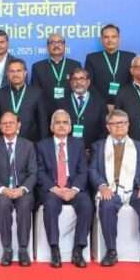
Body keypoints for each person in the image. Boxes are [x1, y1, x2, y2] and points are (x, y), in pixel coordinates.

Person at [89, 109, 140, 267]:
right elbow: (92, 170)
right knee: (107, 205)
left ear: (128, 125)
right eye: (115, 124)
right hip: (110, 189)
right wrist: (102, 186)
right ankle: (111, 251)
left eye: (123, 123)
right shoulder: (98, 146)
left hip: (134, 189)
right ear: (108, 127)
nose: (119, 126)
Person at [35, 110, 93, 268]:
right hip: (53, 189)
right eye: (58, 122)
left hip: (73, 187)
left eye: (65, 122)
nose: (61, 126)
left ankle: (78, 249)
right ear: (51, 126)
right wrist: (55, 189)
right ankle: (54, 249)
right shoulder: (42, 145)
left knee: (86, 204)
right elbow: (39, 171)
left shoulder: (78, 144)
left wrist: (73, 190)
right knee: (50, 205)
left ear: (70, 127)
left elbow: (83, 171)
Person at [0, 112, 37, 266]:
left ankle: (23, 249)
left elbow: (33, 173)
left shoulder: (28, 145)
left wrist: (23, 189)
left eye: (11, 123)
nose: (7, 125)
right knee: (3, 203)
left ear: (18, 125)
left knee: (25, 204)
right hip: (2, 192)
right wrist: (2, 189)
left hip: (22, 190)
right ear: (0, 127)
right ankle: (7, 249)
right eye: (4, 123)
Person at [0, 58, 47, 142]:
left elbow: (43, 123)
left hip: (31, 143)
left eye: (19, 71)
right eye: (12, 71)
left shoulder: (37, 93)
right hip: (5, 144)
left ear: (25, 73)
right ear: (7, 74)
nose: (15, 74)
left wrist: (42, 145)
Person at [84, 24, 135, 108]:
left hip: (126, 104)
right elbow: (89, 84)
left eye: (113, 37)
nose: (110, 40)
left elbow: (133, 82)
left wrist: (122, 101)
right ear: (101, 40)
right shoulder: (92, 58)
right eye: (106, 37)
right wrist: (103, 104)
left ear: (119, 39)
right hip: (100, 105)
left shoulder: (130, 57)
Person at [56, 68, 107, 149]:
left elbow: (104, 129)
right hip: (68, 150)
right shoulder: (61, 103)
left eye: (82, 79)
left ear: (88, 82)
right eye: (75, 79)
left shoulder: (99, 102)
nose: (78, 82)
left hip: (92, 150)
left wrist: (96, 148)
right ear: (71, 83)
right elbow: (57, 129)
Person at [30, 33, 82, 107]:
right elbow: (35, 93)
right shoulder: (38, 67)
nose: (56, 45)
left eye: (59, 42)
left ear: (64, 46)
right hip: (46, 109)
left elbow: (80, 90)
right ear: (47, 47)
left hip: (70, 109)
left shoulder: (75, 65)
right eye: (52, 42)